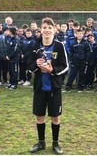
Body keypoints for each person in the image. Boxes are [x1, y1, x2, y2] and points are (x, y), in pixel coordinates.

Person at [28, 17, 68, 155]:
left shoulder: (59, 46)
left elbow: (65, 67)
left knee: (55, 117)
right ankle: (41, 142)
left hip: (54, 88)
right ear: (41, 29)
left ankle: (55, 144)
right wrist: (36, 65)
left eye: (49, 28)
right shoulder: (34, 46)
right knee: (39, 116)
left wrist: (53, 71)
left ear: (54, 30)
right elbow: (29, 66)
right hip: (39, 88)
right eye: (44, 27)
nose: (47, 30)